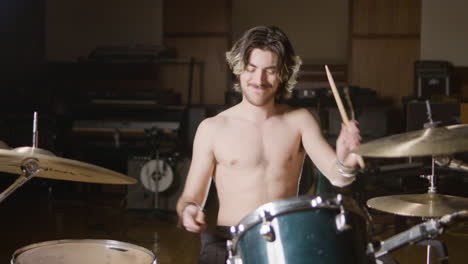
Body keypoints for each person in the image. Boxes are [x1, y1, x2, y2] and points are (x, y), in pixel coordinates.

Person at [176, 25, 362, 264]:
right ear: (239, 69)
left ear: (284, 73)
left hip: (284, 240)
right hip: (227, 241)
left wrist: (346, 160)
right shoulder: (213, 128)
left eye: (270, 71)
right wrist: (189, 210)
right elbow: (191, 196)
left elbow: (338, 177)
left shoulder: (300, 121)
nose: (259, 80)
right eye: (251, 69)